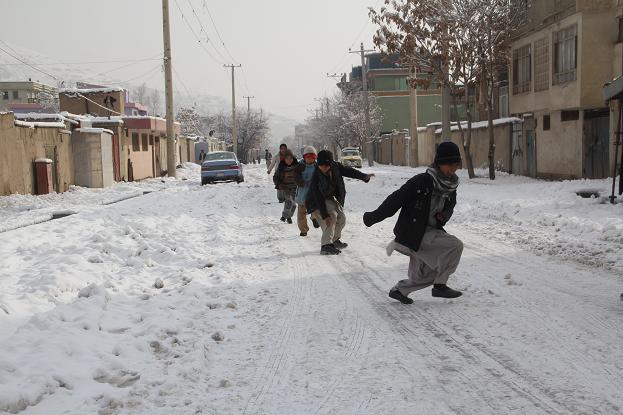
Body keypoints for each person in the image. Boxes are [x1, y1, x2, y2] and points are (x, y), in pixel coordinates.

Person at [363, 141, 464, 304]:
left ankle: (400, 290)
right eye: (449, 165)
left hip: (430, 232)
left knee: (429, 273)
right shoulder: (421, 181)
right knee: (455, 246)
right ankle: (440, 286)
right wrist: (373, 217)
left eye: (455, 166)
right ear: (439, 163)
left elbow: (450, 206)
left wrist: (444, 215)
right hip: (414, 232)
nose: (452, 170)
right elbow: (395, 200)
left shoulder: (450, 185)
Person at [306, 150, 374, 255]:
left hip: (330, 197)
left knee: (342, 218)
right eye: (321, 166)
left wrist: (363, 176)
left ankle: (335, 240)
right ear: (318, 164)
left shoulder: (336, 167)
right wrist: (324, 215)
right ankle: (326, 245)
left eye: (326, 166)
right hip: (316, 201)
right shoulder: (316, 176)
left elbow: (349, 171)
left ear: (331, 164)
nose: (324, 168)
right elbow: (317, 197)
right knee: (331, 217)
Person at [294, 146, 317, 236]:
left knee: (315, 209)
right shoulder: (300, 166)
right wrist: (302, 182)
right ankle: (303, 229)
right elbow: (296, 177)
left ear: (314, 158)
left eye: (312, 158)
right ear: (304, 158)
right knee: (301, 214)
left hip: (313, 193)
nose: (310, 160)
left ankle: (314, 218)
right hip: (302, 193)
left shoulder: (317, 166)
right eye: (308, 158)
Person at [273, 149, 298, 223]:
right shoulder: (281, 167)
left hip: (294, 188)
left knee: (294, 205)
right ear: (284, 159)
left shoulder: (296, 166)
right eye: (287, 159)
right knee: (288, 201)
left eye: (291, 159)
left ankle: (289, 216)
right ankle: (284, 216)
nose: (289, 160)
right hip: (285, 187)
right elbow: (275, 177)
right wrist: (279, 184)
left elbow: (301, 175)